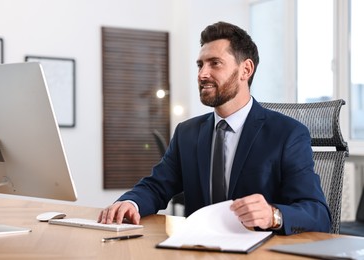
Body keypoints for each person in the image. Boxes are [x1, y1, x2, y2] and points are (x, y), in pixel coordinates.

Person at [98, 21, 331, 235]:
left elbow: (318, 214)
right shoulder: (187, 133)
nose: (202, 74)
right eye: (200, 65)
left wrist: (274, 215)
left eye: (214, 64)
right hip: (199, 249)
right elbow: (156, 186)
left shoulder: (288, 134)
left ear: (245, 70)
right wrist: (131, 203)